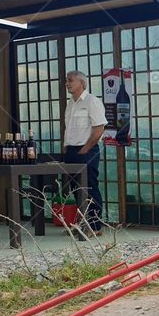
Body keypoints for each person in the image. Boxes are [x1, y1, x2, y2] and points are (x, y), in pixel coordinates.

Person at [63, 70, 107, 236]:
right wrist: (65, 146)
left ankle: (95, 227)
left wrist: (85, 149)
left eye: (70, 81)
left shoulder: (91, 101)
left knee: (90, 187)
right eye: (66, 81)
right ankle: (83, 224)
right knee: (76, 189)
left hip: (87, 151)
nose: (67, 83)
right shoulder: (70, 104)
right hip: (71, 150)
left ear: (81, 82)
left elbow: (99, 129)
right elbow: (68, 128)